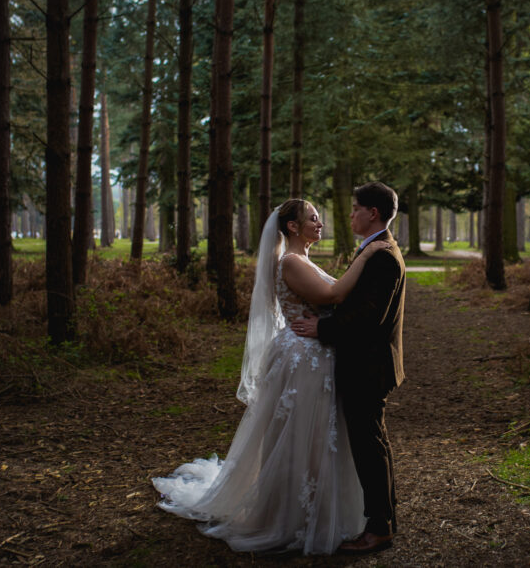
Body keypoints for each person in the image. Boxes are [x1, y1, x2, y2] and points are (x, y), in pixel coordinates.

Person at [152, 198, 388, 555]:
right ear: (292, 227)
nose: (320, 224)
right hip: (303, 359)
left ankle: (318, 510)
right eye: (312, 218)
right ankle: (289, 514)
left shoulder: (303, 260)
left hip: (314, 354)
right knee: (299, 437)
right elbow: (333, 293)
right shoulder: (291, 262)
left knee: (318, 438)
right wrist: (367, 256)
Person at [290, 181, 405, 554]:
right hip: (365, 363)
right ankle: (383, 520)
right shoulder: (375, 250)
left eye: (356, 208)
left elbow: (368, 317)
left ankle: (380, 528)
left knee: (369, 446)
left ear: (373, 213)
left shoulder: (383, 255)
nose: (350, 213)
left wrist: (322, 327)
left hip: (368, 366)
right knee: (373, 443)